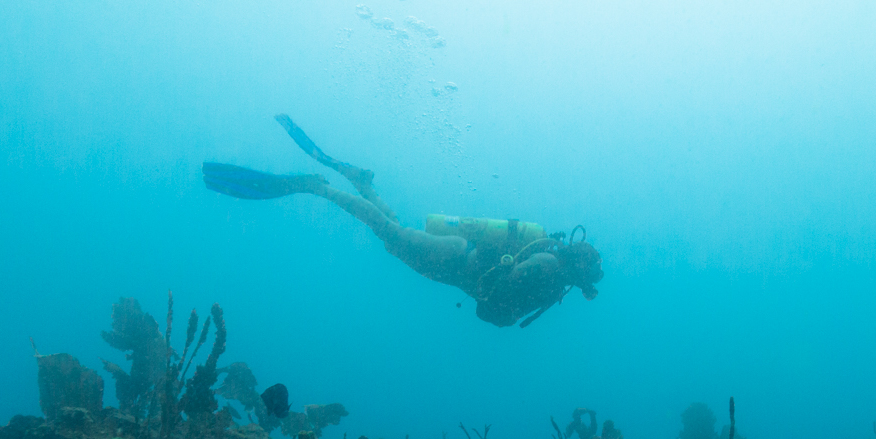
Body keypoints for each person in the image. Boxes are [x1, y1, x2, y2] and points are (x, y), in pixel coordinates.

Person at [204, 115, 603, 328]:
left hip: (455, 260)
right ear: (580, 267)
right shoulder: (550, 269)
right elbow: (498, 301)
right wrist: (499, 310)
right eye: (591, 273)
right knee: (389, 234)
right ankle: (318, 188)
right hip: (455, 262)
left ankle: (362, 184)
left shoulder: (554, 274)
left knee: (394, 232)